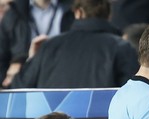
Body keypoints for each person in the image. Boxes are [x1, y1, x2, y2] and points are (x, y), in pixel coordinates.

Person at [11, 0, 139, 88]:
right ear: (109, 14)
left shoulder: (48, 46)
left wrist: (31, 59)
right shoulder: (122, 48)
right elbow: (133, 95)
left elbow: (19, 87)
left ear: (78, 12)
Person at [0, 0, 74, 88]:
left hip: (63, 79)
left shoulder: (71, 8)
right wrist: (16, 65)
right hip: (26, 84)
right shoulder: (14, 12)